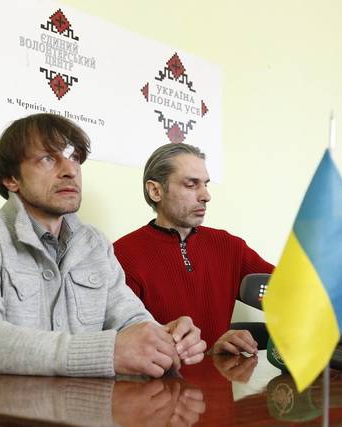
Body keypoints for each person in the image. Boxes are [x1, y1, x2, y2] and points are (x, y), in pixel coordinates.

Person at [0, 113, 206, 378]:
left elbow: (131, 319)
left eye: (75, 158)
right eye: (48, 158)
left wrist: (166, 338)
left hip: (66, 404)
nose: (70, 170)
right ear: (11, 178)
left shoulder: (94, 244)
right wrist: (105, 352)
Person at [114, 143, 274, 355]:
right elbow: (126, 351)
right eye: (191, 185)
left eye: (205, 184)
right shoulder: (122, 256)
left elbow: (293, 292)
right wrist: (209, 354)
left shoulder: (229, 246)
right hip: (163, 377)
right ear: (155, 191)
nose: (206, 196)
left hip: (219, 376)